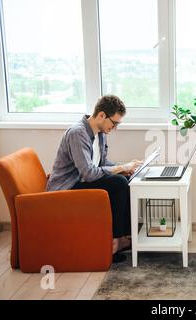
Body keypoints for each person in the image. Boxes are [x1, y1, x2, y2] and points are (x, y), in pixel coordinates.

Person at [47, 95, 142, 262]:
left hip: (81, 181)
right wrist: (121, 168)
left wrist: (124, 169)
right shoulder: (77, 133)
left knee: (125, 181)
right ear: (102, 115)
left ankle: (126, 237)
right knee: (119, 183)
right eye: (114, 123)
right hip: (66, 188)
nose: (115, 127)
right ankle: (115, 242)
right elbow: (89, 173)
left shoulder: (100, 133)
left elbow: (102, 163)